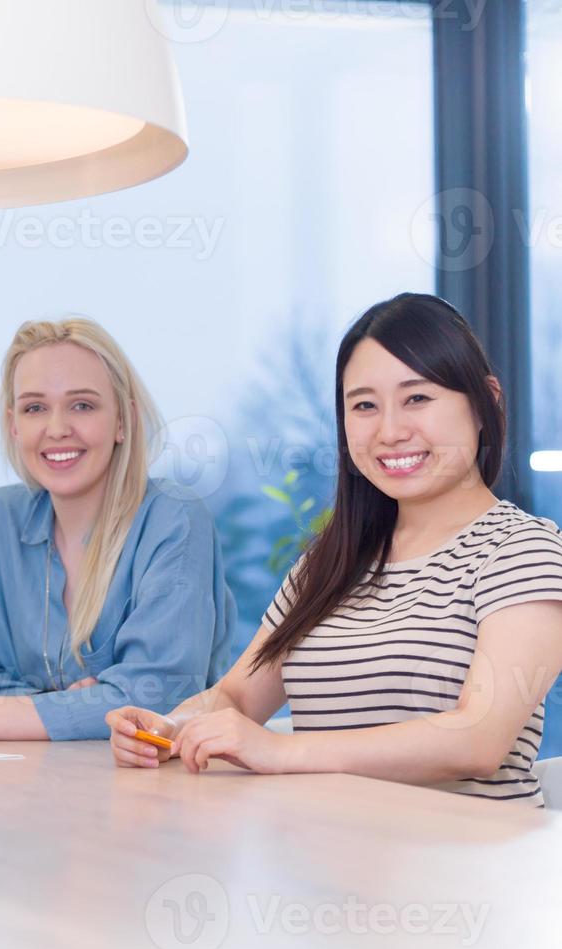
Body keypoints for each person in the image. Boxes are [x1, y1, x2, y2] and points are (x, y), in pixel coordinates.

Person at [107, 293, 562, 806]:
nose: (390, 431)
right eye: (365, 405)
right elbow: (236, 697)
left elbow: (478, 739)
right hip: (330, 863)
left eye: (418, 398)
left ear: (486, 403)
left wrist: (280, 752)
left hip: (471, 874)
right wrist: (171, 727)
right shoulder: (328, 566)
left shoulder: (524, 550)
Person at [0, 317, 235, 743]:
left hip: (158, 791)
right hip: (27, 782)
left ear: (123, 420)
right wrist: (82, 706)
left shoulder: (174, 518)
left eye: (82, 405)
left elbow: (158, 698)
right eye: (35, 408)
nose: (56, 429)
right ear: (14, 425)